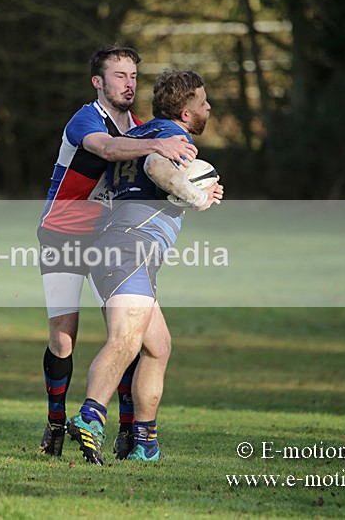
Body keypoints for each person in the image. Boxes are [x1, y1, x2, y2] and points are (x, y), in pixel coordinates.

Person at [37, 47, 198, 458]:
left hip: (106, 237)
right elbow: (107, 149)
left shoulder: (143, 129)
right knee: (64, 338)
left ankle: (130, 433)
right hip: (62, 234)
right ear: (99, 81)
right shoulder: (87, 118)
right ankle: (56, 425)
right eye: (119, 75)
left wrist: (193, 185)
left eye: (133, 76)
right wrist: (156, 149)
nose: (129, 83)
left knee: (128, 332)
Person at [67, 69, 223, 464]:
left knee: (158, 346)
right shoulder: (173, 140)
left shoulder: (135, 135)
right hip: (130, 248)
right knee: (125, 340)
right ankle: (90, 417)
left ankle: (144, 445)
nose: (209, 107)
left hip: (113, 247)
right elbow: (157, 168)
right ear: (186, 113)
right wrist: (195, 196)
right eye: (203, 102)